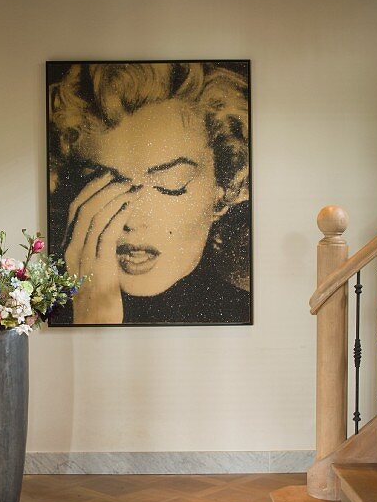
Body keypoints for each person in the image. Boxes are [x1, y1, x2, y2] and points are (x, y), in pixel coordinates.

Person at [47, 61, 251, 325]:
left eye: (169, 182)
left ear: (223, 189)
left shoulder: (242, 314)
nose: (132, 220)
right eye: (103, 183)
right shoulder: (40, 311)